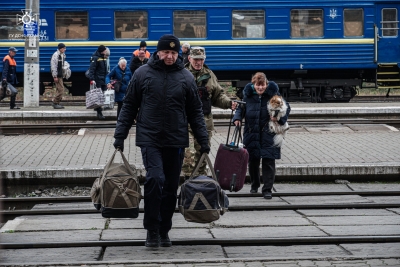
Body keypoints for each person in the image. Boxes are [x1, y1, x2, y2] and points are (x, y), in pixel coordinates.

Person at [113, 34, 209, 248]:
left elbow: (195, 112)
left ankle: (164, 230)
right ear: (157, 52)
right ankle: (151, 230)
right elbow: (129, 106)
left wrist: (203, 140)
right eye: (166, 52)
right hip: (150, 138)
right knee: (155, 179)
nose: (170, 56)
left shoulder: (185, 77)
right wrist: (120, 135)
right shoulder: (142, 74)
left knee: (171, 186)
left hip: (176, 140)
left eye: (174, 53)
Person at [232, 72, 291, 199]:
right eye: (258, 85)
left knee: (268, 161)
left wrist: (279, 119)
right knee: (252, 161)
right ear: (254, 84)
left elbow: (287, 108)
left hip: (268, 134)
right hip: (251, 133)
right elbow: (240, 109)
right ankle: (254, 185)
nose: (260, 88)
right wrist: (237, 118)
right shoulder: (247, 96)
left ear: (266, 84)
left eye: (262, 85)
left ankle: (267, 189)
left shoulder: (274, 95)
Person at [181, 46, 237, 178]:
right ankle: (188, 181)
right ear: (189, 58)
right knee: (188, 154)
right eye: (195, 59)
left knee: (202, 154)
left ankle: (200, 181)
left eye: (201, 59)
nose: (198, 62)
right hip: (185, 122)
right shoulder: (182, 74)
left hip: (205, 122)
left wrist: (229, 103)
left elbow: (218, 96)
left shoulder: (209, 75)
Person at [89, 45, 109, 119]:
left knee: (103, 95)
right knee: (98, 96)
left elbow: (104, 69)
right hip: (97, 80)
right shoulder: (95, 58)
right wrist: (92, 79)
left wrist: (108, 77)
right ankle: (99, 112)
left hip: (103, 79)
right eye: (105, 50)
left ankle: (98, 108)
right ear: (102, 51)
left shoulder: (103, 57)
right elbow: (92, 69)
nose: (106, 51)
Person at [50, 43, 67, 109]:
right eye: (64, 48)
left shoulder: (62, 55)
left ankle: (57, 103)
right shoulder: (56, 55)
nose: (65, 49)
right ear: (60, 49)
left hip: (60, 74)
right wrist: (55, 76)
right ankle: (55, 103)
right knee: (61, 89)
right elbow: (53, 66)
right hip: (57, 75)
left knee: (58, 89)